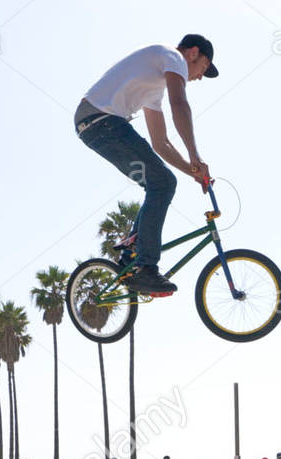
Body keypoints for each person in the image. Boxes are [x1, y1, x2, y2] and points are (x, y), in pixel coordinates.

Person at [75, 35, 217, 294]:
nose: (198, 77)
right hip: (101, 120)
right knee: (162, 183)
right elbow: (180, 104)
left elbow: (161, 143)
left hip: (95, 124)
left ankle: (131, 255)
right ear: (193, 53)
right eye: (203, 68)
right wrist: (195, 154)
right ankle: (146, 268)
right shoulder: (171, 57)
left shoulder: (154, 87)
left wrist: (192, 171)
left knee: (161, 182)